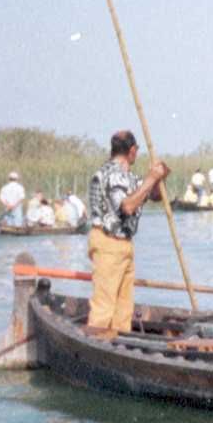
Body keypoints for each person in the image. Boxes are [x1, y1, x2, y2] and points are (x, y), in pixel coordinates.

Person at [85, 130, 170, 336]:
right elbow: (127, 206)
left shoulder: (128, 177)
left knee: (123, 307)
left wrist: (159, 178)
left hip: (123, 245)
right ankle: (97, 345)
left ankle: (117, 344)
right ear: (132, 151)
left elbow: (154, 195)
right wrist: (151, 178)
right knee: (104, 305)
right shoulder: (112, 174)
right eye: (136, 150)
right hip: (108, 243)